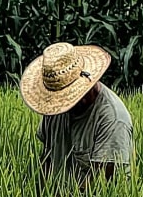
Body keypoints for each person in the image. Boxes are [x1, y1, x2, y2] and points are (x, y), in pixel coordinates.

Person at [19, 42, 133, 182]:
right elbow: (47, 158)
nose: (60, 104)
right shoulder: (54, 108)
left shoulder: (113, 120)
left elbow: (101, 184)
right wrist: (40, 196)